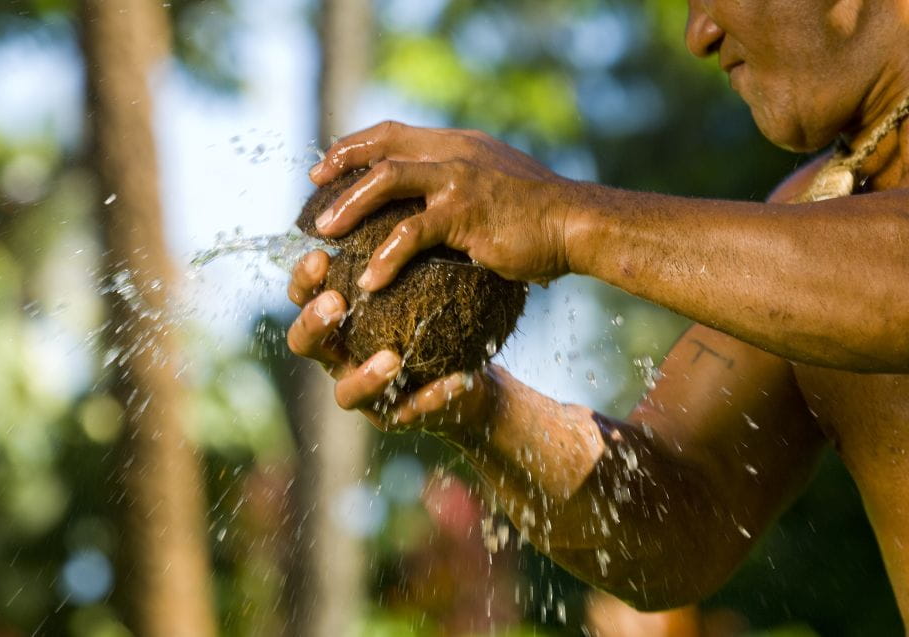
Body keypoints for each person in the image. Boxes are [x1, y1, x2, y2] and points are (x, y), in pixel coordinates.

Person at [286, 0, 909, 625]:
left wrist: (563, 218)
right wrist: (478, 406)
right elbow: (680, 521)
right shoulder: (814, 211)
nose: (700, 34)